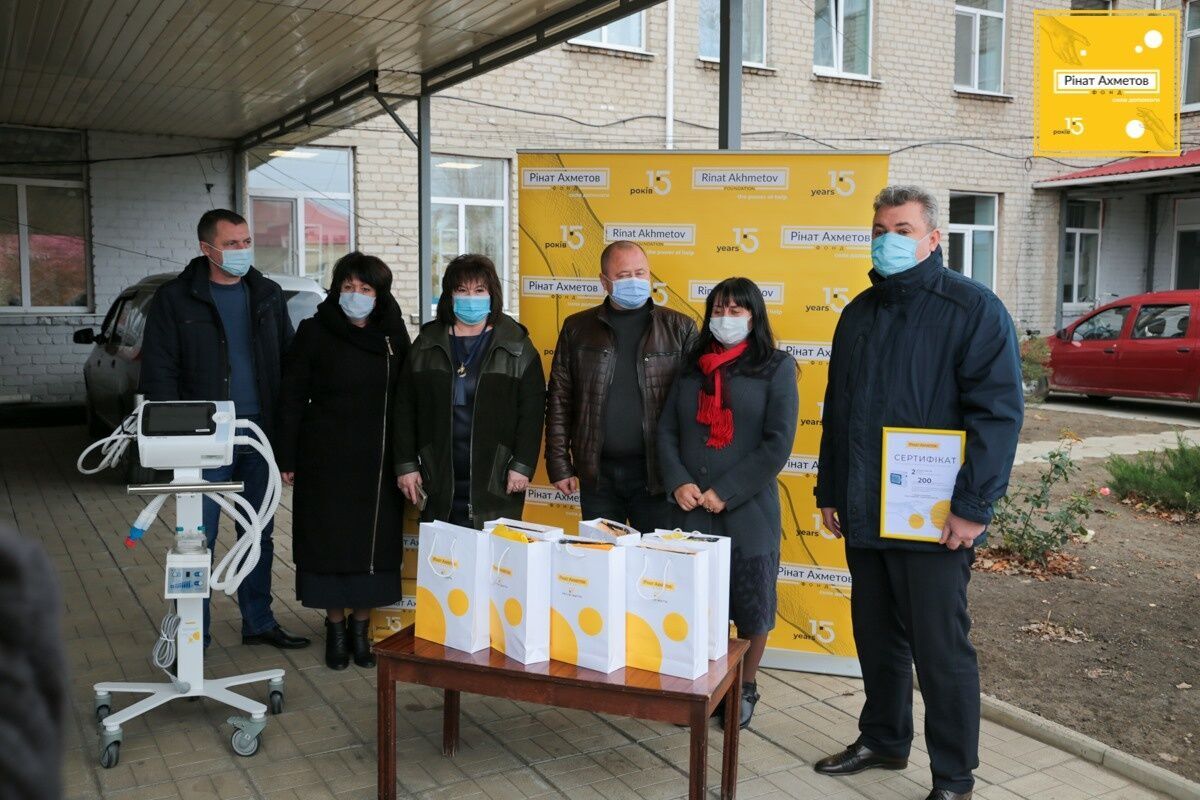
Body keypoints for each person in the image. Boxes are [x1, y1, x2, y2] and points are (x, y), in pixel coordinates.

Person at [812, 186, 1023, 800]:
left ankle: (954, 777)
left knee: (940, 650)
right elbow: (840, 411)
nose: (888, 240)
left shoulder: (973, 309)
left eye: (902, 230)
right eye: (880, 230)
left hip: (934, 519)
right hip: (865, 509)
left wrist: (972, 508)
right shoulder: (859, 313)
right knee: (877, 637)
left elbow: (997, 416)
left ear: (933, 239)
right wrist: (831, 488)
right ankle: (883, 739)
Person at [140, 208, 310, 650]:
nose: (242, 250)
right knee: (197, 538)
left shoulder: (267, 294)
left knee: (258, 534)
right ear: (206, 248)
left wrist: (288, 438)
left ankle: (259, 622)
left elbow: (289, 362)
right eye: (231, 244)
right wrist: (176, 440)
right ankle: (194, 633)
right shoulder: (177, 299)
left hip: (259, 435)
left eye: (246, 242)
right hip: (205, 440)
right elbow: (159, 372)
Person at [657, 276, 798, 730]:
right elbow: (666, 431)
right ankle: (704, 687)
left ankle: (745, 687)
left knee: (752, 604)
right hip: (690, 510)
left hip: (748, 510)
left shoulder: (776, 367)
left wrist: (727, 491)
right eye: (718, 309)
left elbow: (777, 444)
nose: (726, 318)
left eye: (736, 310)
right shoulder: (691, 366)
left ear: (754, 317)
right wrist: (678, 481)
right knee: (699, 604)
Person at [277, 252, 410, 670]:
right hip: (324, 458)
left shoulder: (392, 334)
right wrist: (287, 454)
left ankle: (361, 629)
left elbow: (406, 398)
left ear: (379, 294)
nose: (356, 294)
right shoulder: (314, 331)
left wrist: (408, 458)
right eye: (349, 287)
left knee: (371, 548)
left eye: (365, 288)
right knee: (328, 545)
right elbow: (292, 396)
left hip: (377, 461)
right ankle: (335, 629)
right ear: (336, 290)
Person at [545, 240, 698, 532]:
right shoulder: (577, 328)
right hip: (597, 477)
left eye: (641, 273)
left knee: (656, 558)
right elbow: (560, 399)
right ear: (605, 281)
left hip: (658, 476)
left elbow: (694, 406)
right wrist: (559, 463)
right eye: (624, 275)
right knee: (599, 556)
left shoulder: (680, 328)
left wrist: (684, 473)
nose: (635, 281)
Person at [394, 254, 545, 528]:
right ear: (449, 296)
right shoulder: (426, 344)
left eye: (479, 290)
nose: (470, 298)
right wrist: (406, 465)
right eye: (462, 290)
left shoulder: (517, 346)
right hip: (436, 477)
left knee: (493, 554)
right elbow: (404, 408)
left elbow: (532, 413)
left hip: (497, 480)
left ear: (492, 295)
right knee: (444, 554)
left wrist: (521, 465)